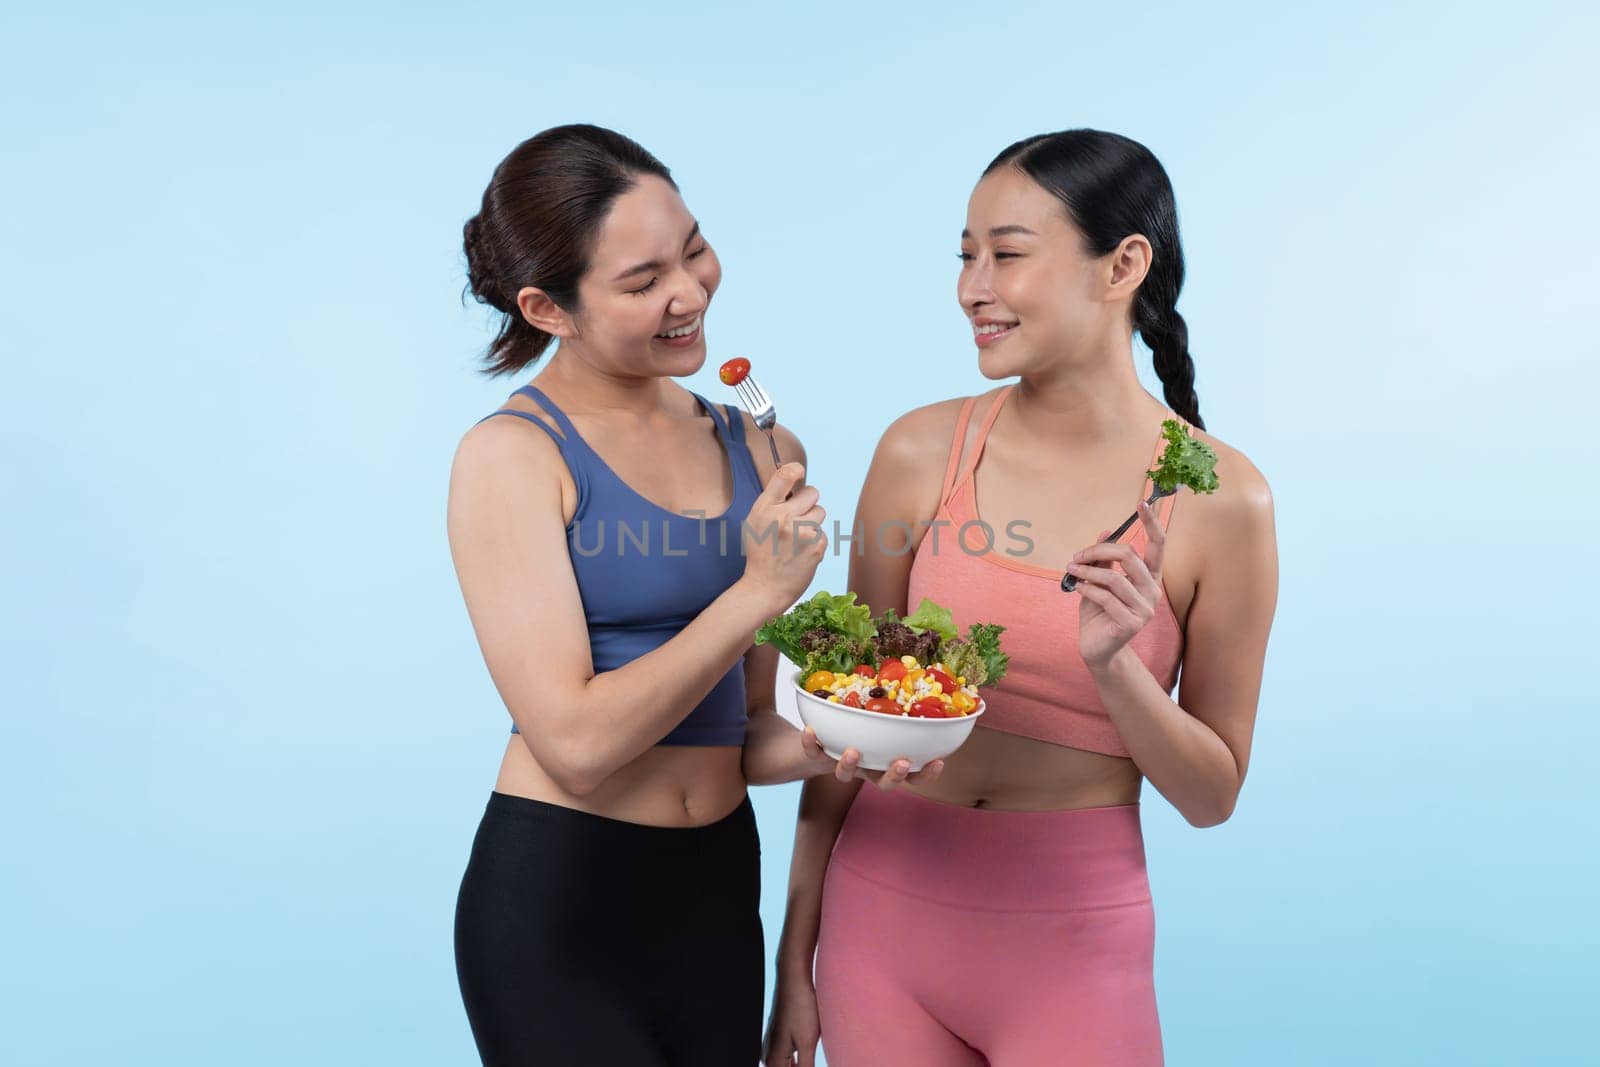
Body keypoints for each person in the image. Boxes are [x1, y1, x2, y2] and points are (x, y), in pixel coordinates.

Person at [763, 129, 1279, 1067]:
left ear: (1122, 265)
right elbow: (844, 721)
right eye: (965, 256)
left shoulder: (1221, 500)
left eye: (1006, 254)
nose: (972, 288)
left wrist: (1116, 669)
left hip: (1073, 940)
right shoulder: (922, 452)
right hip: (880, 922)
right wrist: (793, 959)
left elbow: (1211, 797)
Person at [448, 124, 929, 1067]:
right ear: (548, 307)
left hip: (715, 894)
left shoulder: (760, 450)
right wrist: (755, 591)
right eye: (642, 282)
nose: (690, 293)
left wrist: (858, 744)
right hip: (562, 900)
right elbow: (576, 744)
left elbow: (743, 730)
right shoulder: (511, 457)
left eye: (695, 249)